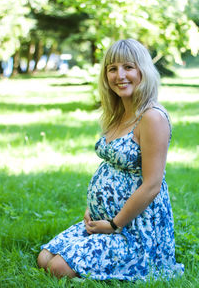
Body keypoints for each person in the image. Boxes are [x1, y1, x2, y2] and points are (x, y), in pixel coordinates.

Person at [37, 38, 184, 281]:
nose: (120, 75)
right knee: (45, 258)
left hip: (135, 231)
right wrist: (92, 208)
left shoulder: (152, 117)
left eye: (128, 67)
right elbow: (109, 169)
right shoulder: (118, 114)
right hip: (101, 221)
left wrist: (115, 225)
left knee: (57, 269)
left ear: (143, 71)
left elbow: (152, 185)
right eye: (112, 68)